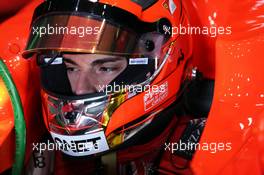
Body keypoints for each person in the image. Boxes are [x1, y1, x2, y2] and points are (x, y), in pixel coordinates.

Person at [22, 0, 207, 174]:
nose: (79, 90)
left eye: (105, 68)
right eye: (71, 68)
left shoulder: (203, 154)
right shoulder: (39, 154)